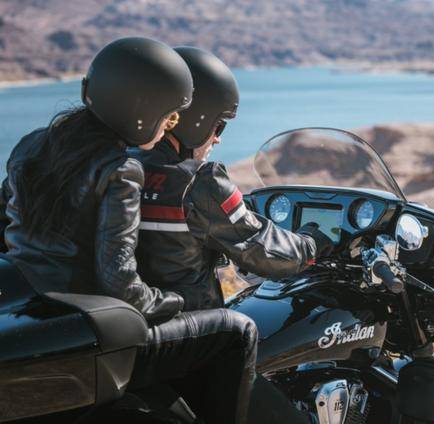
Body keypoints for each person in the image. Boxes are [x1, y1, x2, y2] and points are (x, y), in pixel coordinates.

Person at [0, 37, 257, 424]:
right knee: (236, 331)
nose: (170, 126)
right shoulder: (120, 169)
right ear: (143, 113)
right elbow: (119, 282)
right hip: (97, 328)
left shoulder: (32, 145)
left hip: (38, 314)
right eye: (170, 117)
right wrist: (172, 301)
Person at [131, 46, 334, 423]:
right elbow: (267, 253)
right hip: (192, 343)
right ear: (192, 119)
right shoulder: (199, 182)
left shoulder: (119, 168)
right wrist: (313, 243)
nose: (218, 138)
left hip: (133, 340)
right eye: (218, 126)